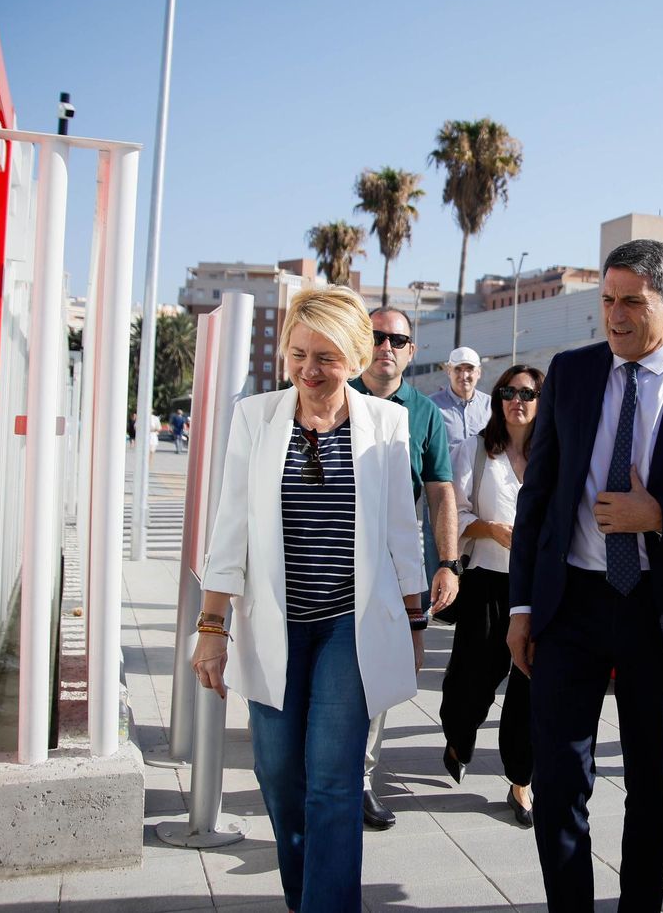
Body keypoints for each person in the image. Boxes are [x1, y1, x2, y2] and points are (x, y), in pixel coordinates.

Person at [507, 239, 663, 912]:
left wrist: (661, 515)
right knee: (561, 782)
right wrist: (520, 609)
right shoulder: (571, 372)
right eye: (607, 300)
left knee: (653, 786)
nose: (615, 317)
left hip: (660, 611)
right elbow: (538, 499)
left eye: (632, 302)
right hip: (571, 606)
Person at [190, 285, 426, 913]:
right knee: (279, 778)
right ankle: (307, 897)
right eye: (298, 354)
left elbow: (404, 531)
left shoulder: (387, 423)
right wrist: (211, 626)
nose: (309, 371)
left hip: (347, 631)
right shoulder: (257, 418)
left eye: (326, 357)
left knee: (333, 783)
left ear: (354, 357)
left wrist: (414, 619)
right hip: (274, 627)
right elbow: (230, 528)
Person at [349, 305, 461, 829]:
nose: (385, 347)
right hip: (326, 562)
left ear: (412, 352)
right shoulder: (334, 393)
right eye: (376, 336)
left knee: (380, 678)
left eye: (397, 339)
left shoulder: (424, 413)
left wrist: (448, 563)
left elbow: (441, 492)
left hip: (395, 569)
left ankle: (359, 781)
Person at [440, 364, 544, 828]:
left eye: (527, 392)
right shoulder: (474, 452)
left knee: (529, 684)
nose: (516, 400)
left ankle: (521, 778)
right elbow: (451, 515)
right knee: (472, 681)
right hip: (487, 582)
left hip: (539, 588)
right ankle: (459, 737)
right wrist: (488, 529)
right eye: (507, 391)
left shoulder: (556, 455)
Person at [432, 346, 492, 451]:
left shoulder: (490, 406)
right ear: (449, 371)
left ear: (479, 372)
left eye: (470, 369)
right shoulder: (432, 406)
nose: (464, 376)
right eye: (458, 369)